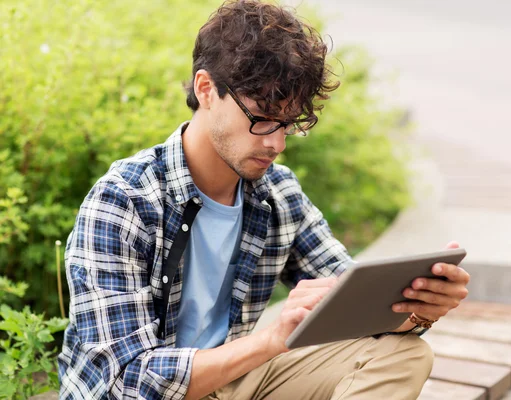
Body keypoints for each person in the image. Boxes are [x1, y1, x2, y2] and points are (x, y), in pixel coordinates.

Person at [58, 1, 470, 399]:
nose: (276, 144)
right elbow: (126, 383)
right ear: (206, 89)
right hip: (157, 389)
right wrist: (271, 340)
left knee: (403, 355)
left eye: (288, 124)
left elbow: (348, 301)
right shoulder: (123, 202)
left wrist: (416, 308)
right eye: (261, 118)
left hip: (235, 378)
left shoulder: (277, 194)